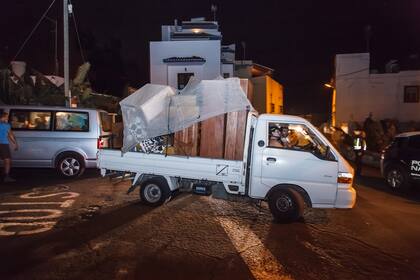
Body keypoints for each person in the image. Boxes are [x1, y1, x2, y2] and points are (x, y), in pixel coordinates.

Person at [0, 111, 18, 182]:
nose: (7, 118)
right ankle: (6, 177)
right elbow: (11, 135)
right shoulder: (6, 125)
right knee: (7, 161)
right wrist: (15, 144)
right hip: (3, 144)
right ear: (3, 117)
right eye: (6, 117)